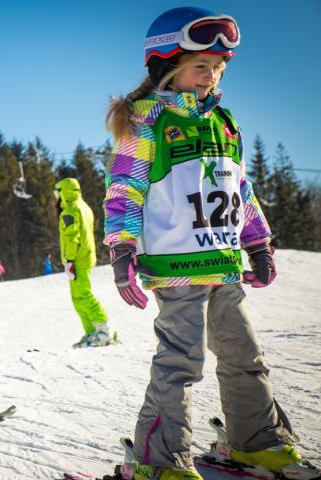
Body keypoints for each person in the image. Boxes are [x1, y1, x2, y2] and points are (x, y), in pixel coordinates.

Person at [103, 7, 310, 480]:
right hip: (176, 266)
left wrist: (257, 242)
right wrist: (122, 249)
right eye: (201, 66)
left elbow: (239, 188)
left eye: (219, 68)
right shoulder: (146, 121)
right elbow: (125, 190)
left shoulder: (224, 120)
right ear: (167, 65)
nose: (211, 76)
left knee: (244, 356)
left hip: (223, 261)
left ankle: (259, 443)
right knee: (181, 363)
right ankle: (162, 460)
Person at [56, 178, 112, 348]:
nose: (57, 198)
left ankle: (102, 330)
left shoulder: (70, 211)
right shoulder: (84, 208)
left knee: (83, 295)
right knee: (78, 297)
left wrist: (70, 259)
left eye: (58, 194)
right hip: (86, 255)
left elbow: (72, 237)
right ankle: (92, 331)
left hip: (78, 258)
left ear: (64, 192)